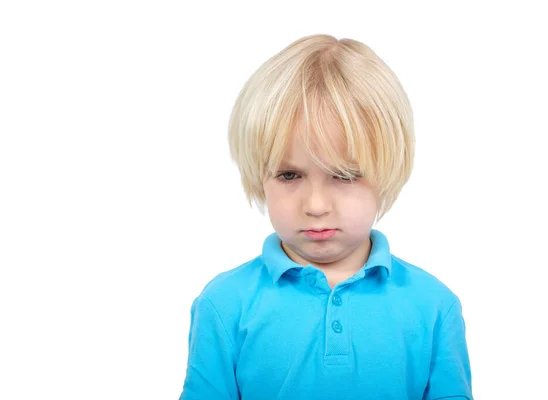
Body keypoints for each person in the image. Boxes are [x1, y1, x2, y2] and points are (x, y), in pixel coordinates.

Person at [179, 34, 472, 400]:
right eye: (290, 175)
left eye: (345, 176)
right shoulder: (223, 304)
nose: (316, 205)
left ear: (388, 171)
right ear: (260, 176)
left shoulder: (434, 306)